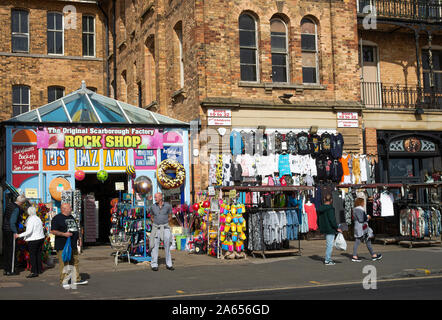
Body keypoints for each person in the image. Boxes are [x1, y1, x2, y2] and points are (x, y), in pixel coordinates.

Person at [50, 203, 88, 288]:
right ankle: (64, 281)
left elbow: (75, 229)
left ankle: (76, 279)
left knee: (75, 261)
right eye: (69, 207)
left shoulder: (71, 217)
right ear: (64, 209)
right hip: (62, 245)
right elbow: (53, 231)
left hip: (73, 244)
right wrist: (64, 234)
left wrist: (79, 239)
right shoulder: (57, 218)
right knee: (64, 263)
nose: (71, 208)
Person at [15, 206, 45, 278]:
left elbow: (29, 231)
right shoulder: (38, 218)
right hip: (40, 238)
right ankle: (39, 269)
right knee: (38, 254)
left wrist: (19, 235)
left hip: (33, 239)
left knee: (32, 256)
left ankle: (34, 272)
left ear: (29, 212)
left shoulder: (31, 219)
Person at [149, 192, 174, 271]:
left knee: (167, 245)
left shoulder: (168, 206)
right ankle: (154, 264)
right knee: (154, 246)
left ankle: (169, 264)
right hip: (156, 228)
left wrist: (165, 222)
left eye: (156, 197)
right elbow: (151, 217)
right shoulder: (153, 206)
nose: (155, 199)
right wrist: (156, 223)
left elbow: (170, 216)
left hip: (165, 227)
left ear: (161, 197)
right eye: (154, 197)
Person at [352, 197, 382, 262]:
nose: (364, 203)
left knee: (366, 241)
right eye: (363, 202)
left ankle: (373, 255)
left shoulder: (355, 209)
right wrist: (367, 217)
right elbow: (361, 219)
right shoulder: (359, 210)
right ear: (360, 203)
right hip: (361, 227)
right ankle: (355, 256)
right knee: (360, 241)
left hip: (360, 227)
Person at [2, 195, 27, 276]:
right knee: (12, 251)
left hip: (5, 229)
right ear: (21, 202)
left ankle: (6, 269)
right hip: (11, 231)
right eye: (23, 203)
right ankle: (11, 270)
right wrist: (16, 232)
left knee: (6, 250)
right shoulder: (16, 208)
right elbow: (12, 222)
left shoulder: (9, 205)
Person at [317, 194, 342, 266]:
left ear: (324, 199)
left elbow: (318, 219)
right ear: (331, 200)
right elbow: (332, 219)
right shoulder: (330, 208)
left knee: (329, 244)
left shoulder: (320, 208)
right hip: (330, 228)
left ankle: (328, 259)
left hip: (324, 227)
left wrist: (319, 226)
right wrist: (336, 228)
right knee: (329, 245)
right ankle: (327, 260)